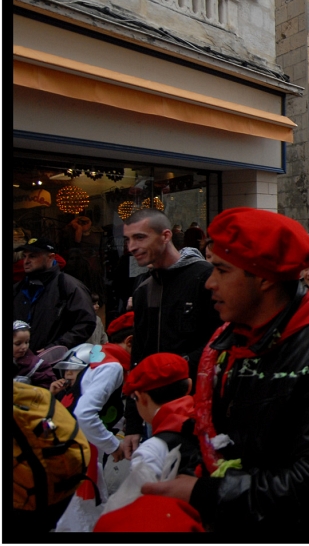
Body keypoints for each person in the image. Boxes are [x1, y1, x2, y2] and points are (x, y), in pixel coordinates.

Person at [141, 207, 309, 533]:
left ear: (264, 277)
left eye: (221, 270)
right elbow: (218, 431)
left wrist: (207, 493)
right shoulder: (234, 339)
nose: (209, 283)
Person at [119, 208, 218, 461]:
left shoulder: (205, 278)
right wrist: (131, 424)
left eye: (139, 237)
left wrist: (175, 367)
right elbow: (139, 357)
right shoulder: (144, 290)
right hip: (155, 414)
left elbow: (220, 342)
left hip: (201, 407)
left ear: (165, 236)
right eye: (128, 240)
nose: (131, 247)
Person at [52, 317, 134, 531]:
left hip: (81, 446)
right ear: (130, 341)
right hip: (84, 447)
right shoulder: (113, 366)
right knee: (82, 511)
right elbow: (85, 413)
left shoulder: (101, 356)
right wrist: (112, 445)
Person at [103, 353, 197, 515]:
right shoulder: (208, 424)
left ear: (141, 398)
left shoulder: (151, 451)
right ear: (189, 386)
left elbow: (131, 509)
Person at [13, 238, 96, 351]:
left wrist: (55, 348)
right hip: (21, 362)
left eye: (32, 256)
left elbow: (85, 323)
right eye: (24, 256)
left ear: (50, 257)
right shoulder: (18, 288)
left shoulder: (68, 286)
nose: (26, 261)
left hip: (53, 363)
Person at [13, 319, 57, 387]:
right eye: (18, 343)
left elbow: (47, 388)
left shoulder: (37, 366)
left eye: (27, 342)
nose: (24, 347)